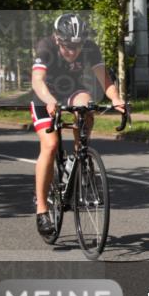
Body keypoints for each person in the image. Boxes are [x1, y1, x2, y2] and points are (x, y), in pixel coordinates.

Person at [31, 13, 125, 237]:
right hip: (44, 97)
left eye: (78, 46)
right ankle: (42, 209)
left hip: (72, 90)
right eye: (68, 46)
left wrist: (116, 98)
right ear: (57, 39)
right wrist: (50, 101)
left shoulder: (90, 48)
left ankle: (80, 157)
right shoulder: (46, 47)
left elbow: (104, 78)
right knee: (51, 145)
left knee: (87, 106)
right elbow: (37, 80)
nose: (73, 52)